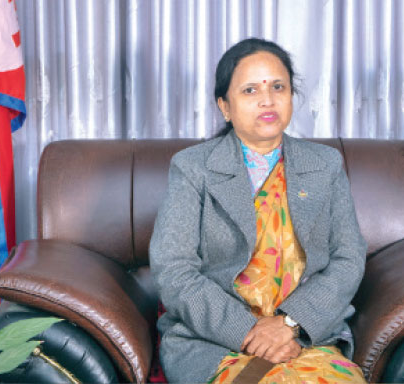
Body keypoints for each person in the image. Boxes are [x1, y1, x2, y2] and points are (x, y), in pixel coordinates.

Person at [150, 38, 368, 383]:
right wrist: (250, 332)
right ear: (225, 106)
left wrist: (290, 324)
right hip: (217, 342)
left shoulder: (325, 165)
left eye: (278, 87)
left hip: (305, 337)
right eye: (250, 90)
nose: (267, 100)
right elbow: (174, 270)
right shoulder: (193, 168)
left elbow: (348, 258)